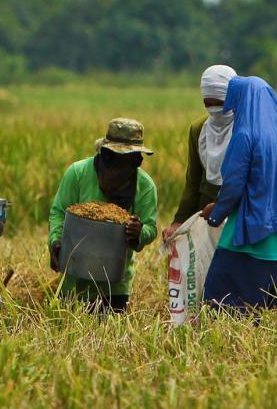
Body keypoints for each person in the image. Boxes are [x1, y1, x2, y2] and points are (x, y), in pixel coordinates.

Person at [202, 76, 277, 311]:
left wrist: (216, 212)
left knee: (223, 305)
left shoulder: (245, 135)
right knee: (273, 312)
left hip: (250, 235)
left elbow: (233, 184)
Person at [47, 118, 160, 313]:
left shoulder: (145, 186)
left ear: (137, 160)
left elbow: (150, 227)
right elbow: (58, 212)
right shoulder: (78, 173)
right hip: (74, 281)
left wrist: (139, 231)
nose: (121, 166)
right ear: (106, 155)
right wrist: (56, 241)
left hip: (114, 286)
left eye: (129, 159)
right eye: (117, 158)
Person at [166, 65, 237, 241]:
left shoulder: (246, 129)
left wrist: (221, 206)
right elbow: (193, 181)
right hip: (205, 212)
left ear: (233, 97)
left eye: (219, 104)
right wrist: (179, 221)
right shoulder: (199, 129)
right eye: (208, 104)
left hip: (238, 211)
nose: (214, 110)